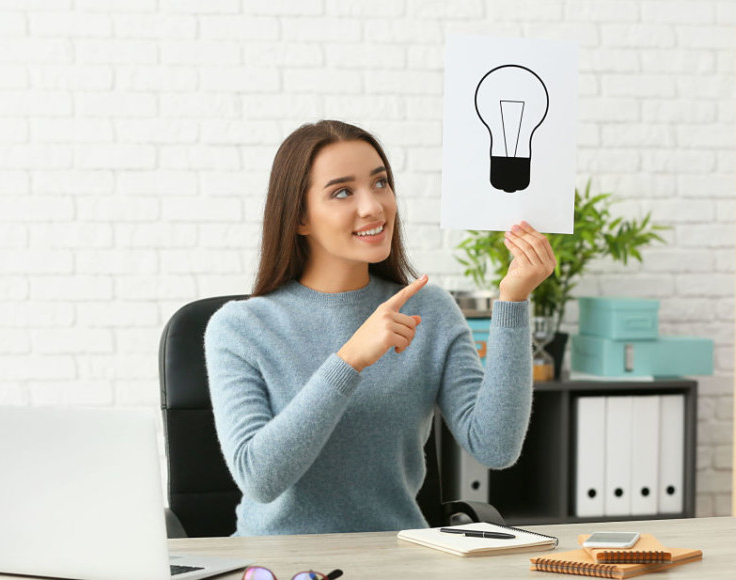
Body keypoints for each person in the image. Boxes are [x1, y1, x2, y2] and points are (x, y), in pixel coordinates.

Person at [205, 120, 556, 536]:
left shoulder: (430, 311)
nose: (373, 206)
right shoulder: (241, 328)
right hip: (279, 564)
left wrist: (513, 301)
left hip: (396, 554)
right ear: (299, 217)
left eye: (380, 183)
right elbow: (259, 480)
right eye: (342, 191)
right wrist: (351, 359)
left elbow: (495, 448)